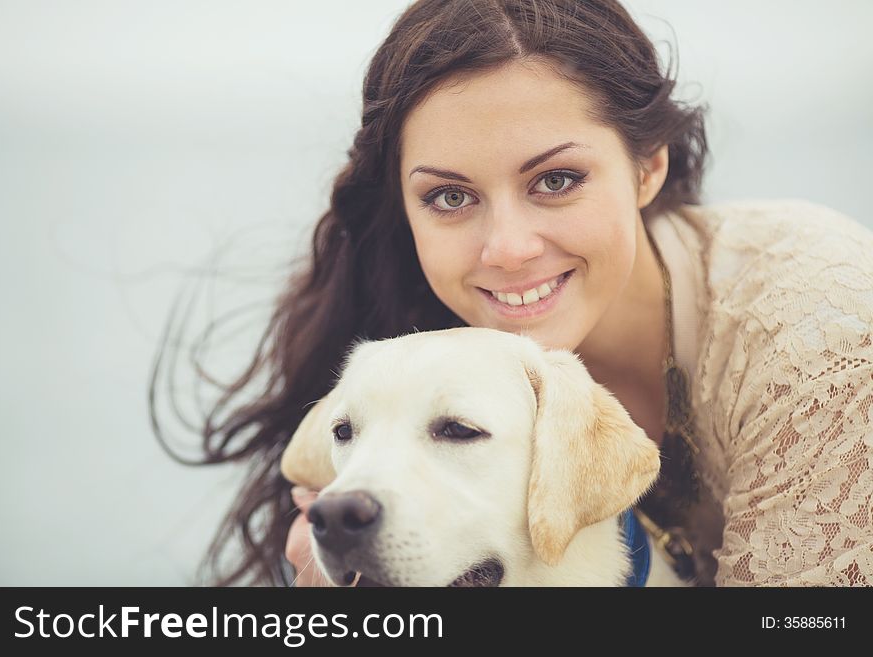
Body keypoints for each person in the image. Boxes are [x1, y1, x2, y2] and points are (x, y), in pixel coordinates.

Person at [153, 0, 873, 586]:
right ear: (405, 209)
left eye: (555, 180)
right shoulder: (412, 353)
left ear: (649, 164)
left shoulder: (820, 336)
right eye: (449, 196)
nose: (506, 248)